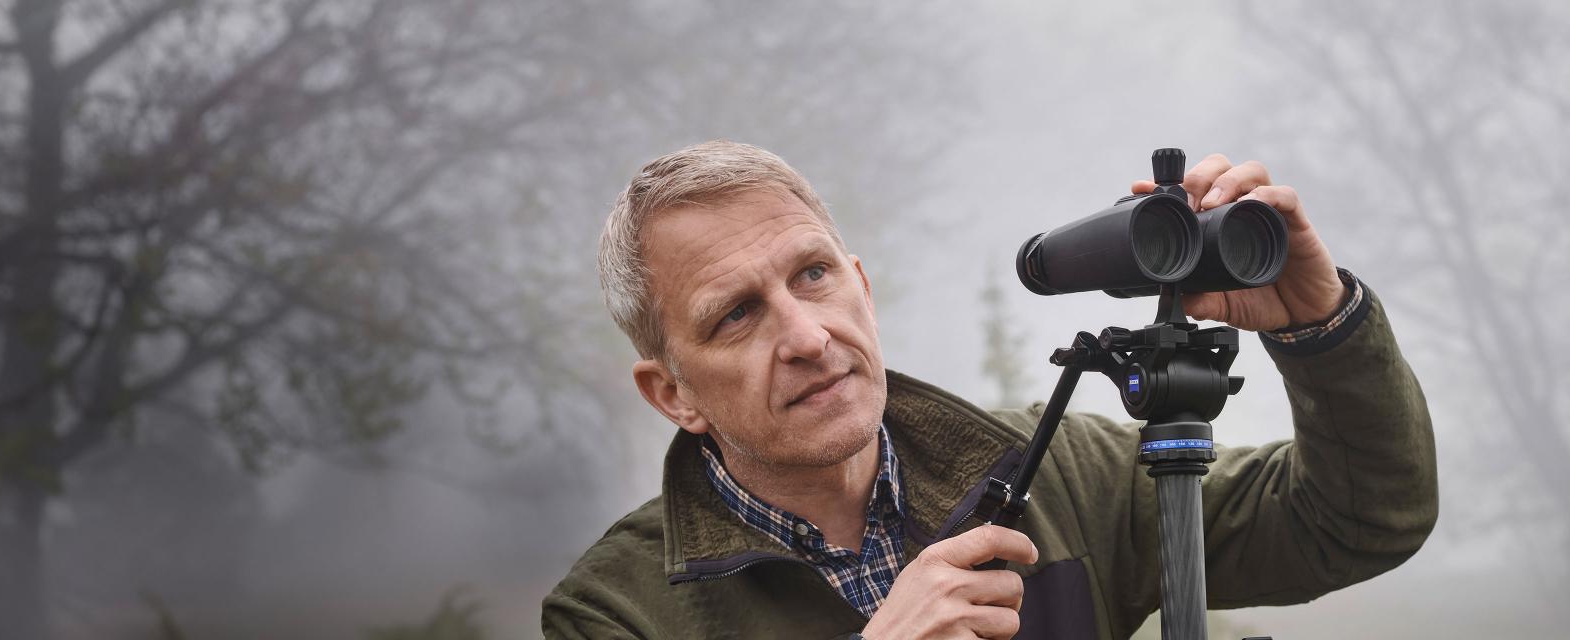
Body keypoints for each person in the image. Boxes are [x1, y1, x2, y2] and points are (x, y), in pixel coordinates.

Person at [540, 141, 1437, 639]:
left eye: (813, 276)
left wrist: (1320, 326)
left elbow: (1355, 522)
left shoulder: (1068, 477)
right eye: (736, 315)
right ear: (672, 395)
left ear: (862, 285)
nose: (808, 337)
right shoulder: (616, 613)